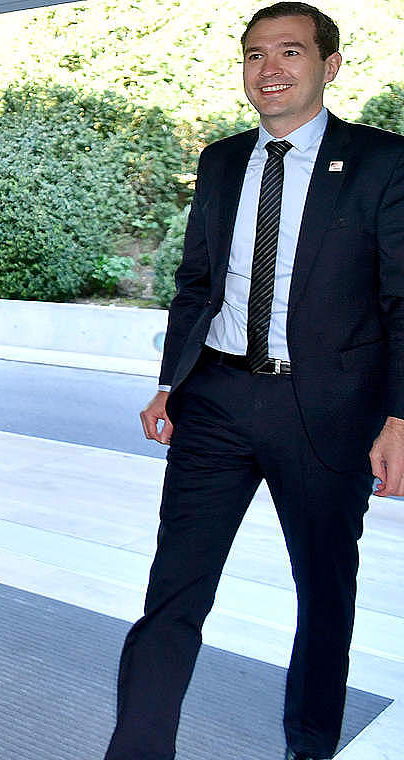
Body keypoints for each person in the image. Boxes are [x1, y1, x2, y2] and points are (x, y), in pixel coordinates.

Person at [105, 4, 404, 759]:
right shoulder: (220, 159)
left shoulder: (383, 162)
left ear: (329, 66)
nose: (269, 69)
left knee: (323, 597)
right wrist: (172, 382)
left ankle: (309, 747)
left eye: (291, 52)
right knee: (172, 593)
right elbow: (196, 282)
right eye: (254, 54)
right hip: (215, 402)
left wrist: (400, 418)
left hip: (328, 413)